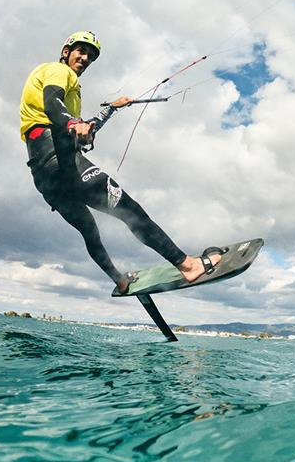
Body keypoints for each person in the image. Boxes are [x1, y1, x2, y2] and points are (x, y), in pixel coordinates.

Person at [19, 31, 221, 294]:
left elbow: (83, 126)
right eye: (81, 51)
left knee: (89, 231)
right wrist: (73, 123)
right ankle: (188, 266)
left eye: (90, 56)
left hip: (45, 176)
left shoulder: (64, 92)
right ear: (66, 51)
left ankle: (119, 279)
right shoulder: (58, 72)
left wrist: (112, 108)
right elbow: (52, 102)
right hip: (63, 161)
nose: (85, 58)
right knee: (131, 212)